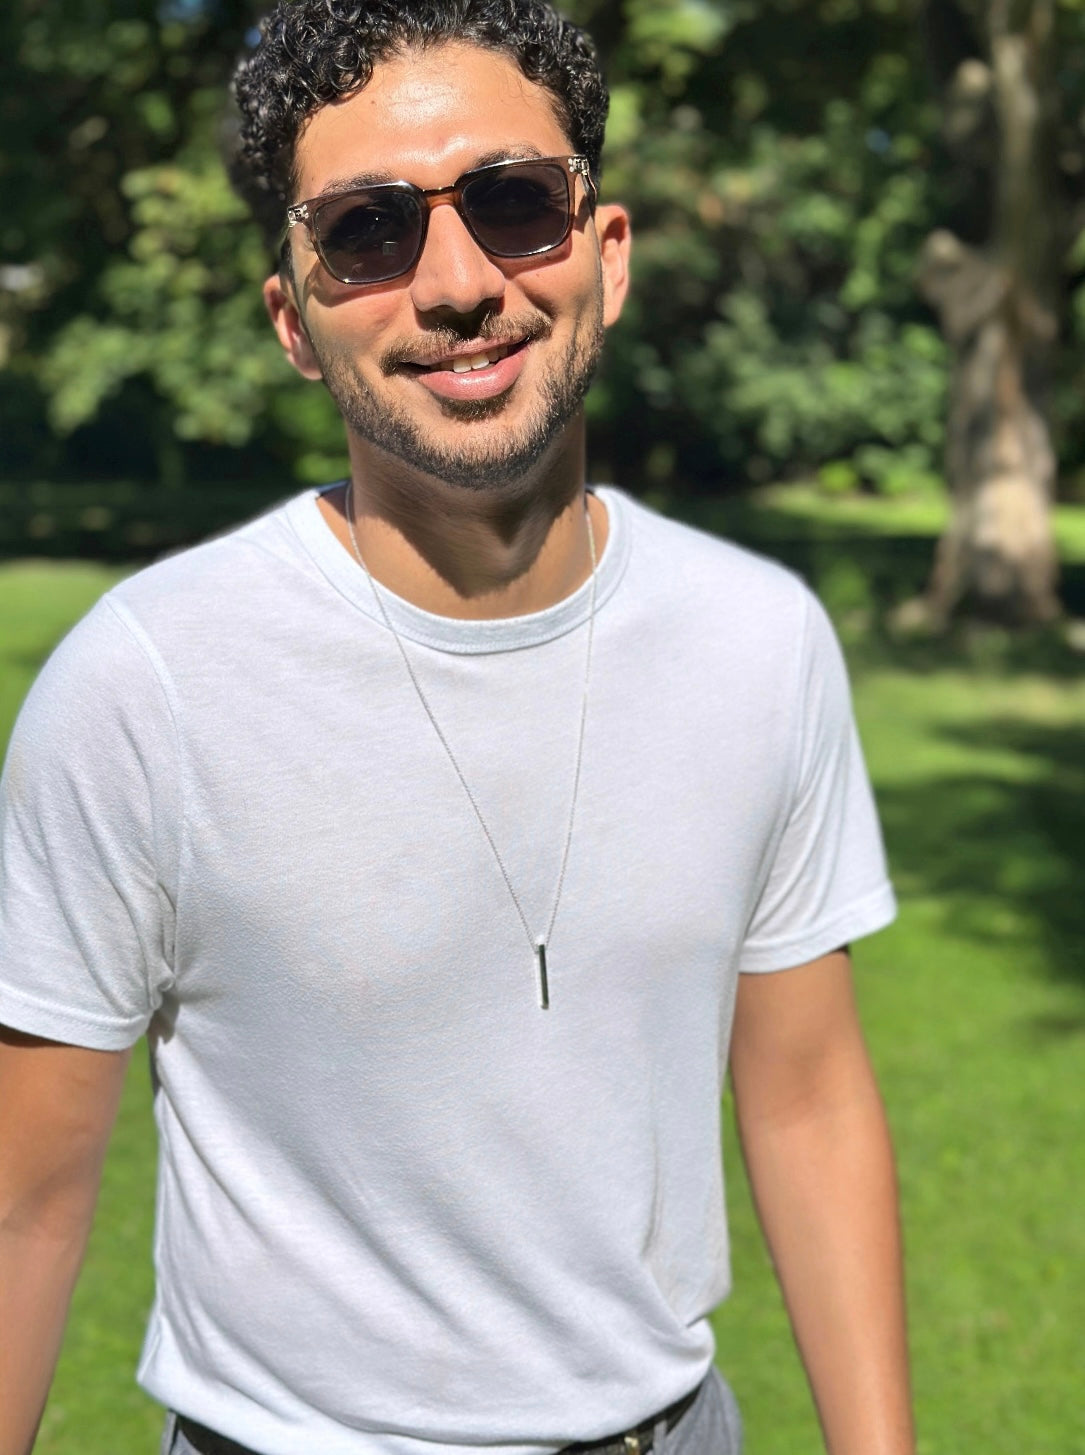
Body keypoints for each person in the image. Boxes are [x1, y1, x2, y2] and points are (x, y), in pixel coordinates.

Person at [0, 3, 915, 1453]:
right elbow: (27, 1205)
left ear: (602, 255)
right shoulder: (145, 686)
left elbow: (804, 1097)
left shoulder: (761, 641)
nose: (455, 282)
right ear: (296, 321)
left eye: (511, 204)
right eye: (367, 230)